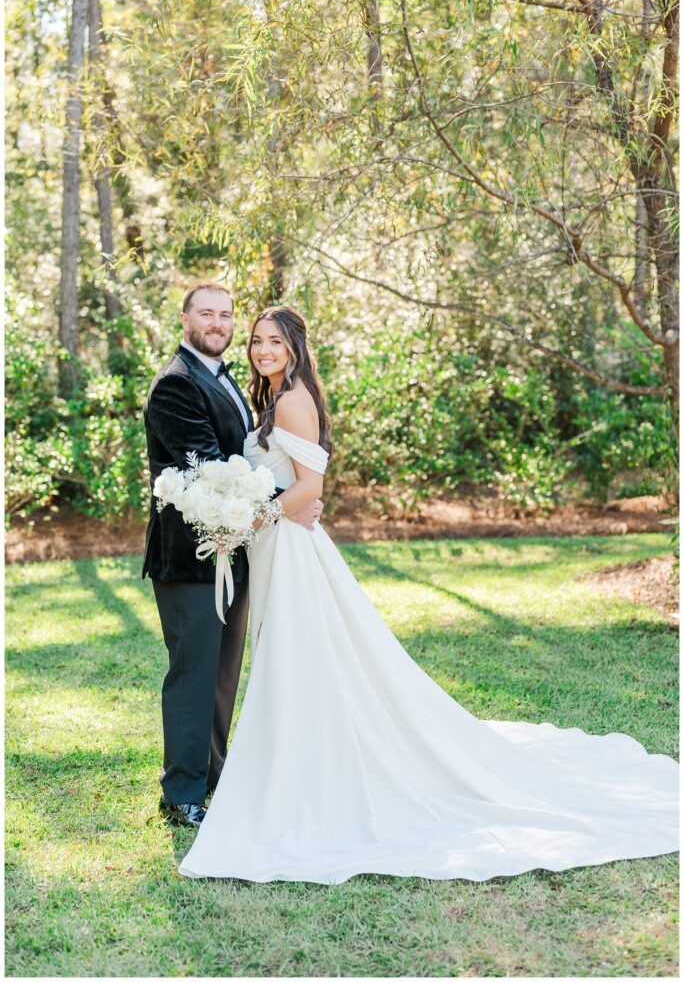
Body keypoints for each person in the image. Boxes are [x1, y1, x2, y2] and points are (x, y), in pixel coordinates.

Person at [179, 305, 678, 883]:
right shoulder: (273, 396)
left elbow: (311, 486)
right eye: (258, 341)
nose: (263, 350)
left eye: (275, 341)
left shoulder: (290, 399)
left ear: (294, 347)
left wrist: (249, 519)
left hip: (286, 547)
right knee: (304, 656)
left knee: (299, 656)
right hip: (278, 543)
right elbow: (297, 483)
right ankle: (305, 761)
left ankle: (303, 769)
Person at [143, 284, 321, 828]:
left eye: (225, 315)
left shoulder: (230, 383)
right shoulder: (175, 385)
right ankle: (182, 795)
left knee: (222, 675)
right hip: (190, 558)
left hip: (234, 549)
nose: (217, 323)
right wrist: (287, 503)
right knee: (194, 674)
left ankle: (213, 775)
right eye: (206, 313)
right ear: (185, 319)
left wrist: (293, 499)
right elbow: (210, 469)